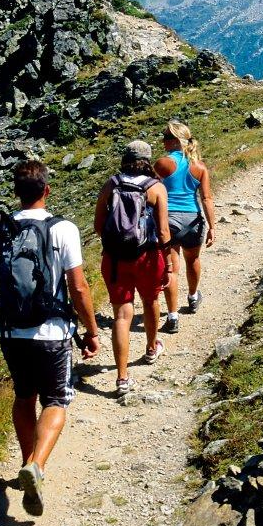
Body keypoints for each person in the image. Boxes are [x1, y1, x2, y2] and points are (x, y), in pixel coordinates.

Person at [0, 160, 101, 518]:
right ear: (47, 190)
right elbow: (78, 286)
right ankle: (36, 466)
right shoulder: (63, 229)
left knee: (23, 396)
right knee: (57, 399)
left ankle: (26, 460)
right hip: (52, 331)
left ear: (16, 194)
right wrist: (91, 330)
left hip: (10, 332)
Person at [94, 140, 172, 395]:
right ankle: (151, 348)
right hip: (148, 256)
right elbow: (162, 230)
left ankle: (122, 377)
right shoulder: (156, 187)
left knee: (121, 316)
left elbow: (98, 225)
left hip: (115, 258)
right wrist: (168, 260)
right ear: (148, 160)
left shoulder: (111, 184)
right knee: (151, 301)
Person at [154, 120, 216, 328]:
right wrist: (212, 226)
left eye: (165, 136)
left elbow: (152, 193)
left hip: (168, 220)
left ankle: (172, 317)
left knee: (171, 270)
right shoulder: (199, 166)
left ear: (174, 140)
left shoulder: (162, 164)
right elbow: (206, 198)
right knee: (193, 259)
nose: (162, 140)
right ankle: (192, 296)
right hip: (193, 219)